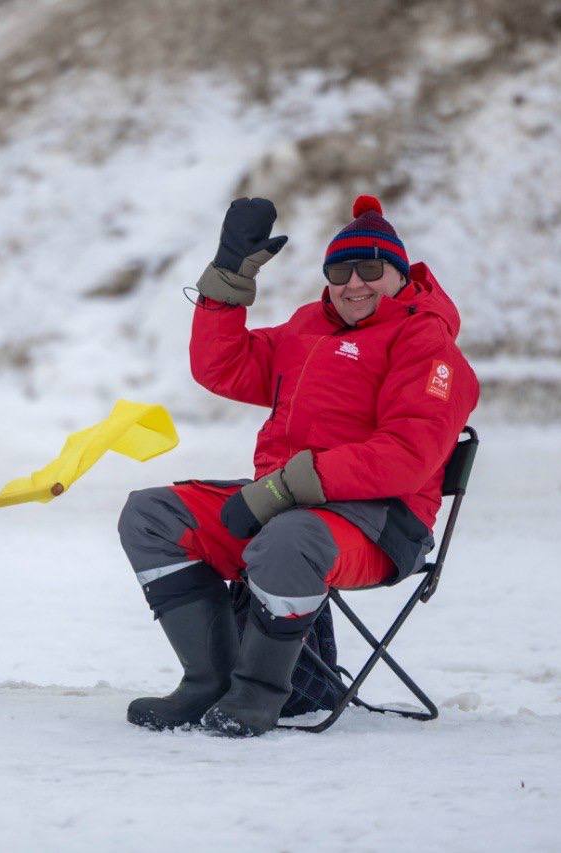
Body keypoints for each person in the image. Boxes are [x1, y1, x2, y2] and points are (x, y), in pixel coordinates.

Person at [117, 194, 479, 736]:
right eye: (339, 270)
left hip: (379, 523)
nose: (354, 283)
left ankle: (259, 695)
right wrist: (227, 279)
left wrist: (281, 490)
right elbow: (223, 368)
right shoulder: (310, 328)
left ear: (400, 274)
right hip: (284, 508)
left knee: (289, 540)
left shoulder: (429, 346)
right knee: (151, 515)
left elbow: (407, 456)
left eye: (370, 269)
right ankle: (208, 682)